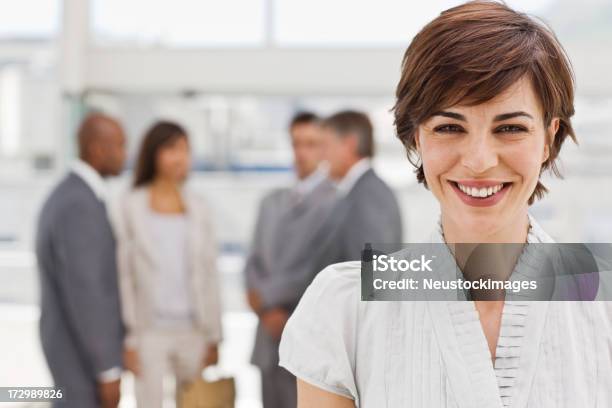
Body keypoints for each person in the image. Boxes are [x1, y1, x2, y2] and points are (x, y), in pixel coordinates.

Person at [279, 2, 612, 407]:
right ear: (416, 137)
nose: (478, 160)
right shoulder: (345, 308)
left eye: (510, 128)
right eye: (449, 127)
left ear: (548, 137)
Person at [114, 121, 222, 408]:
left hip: (194, 328)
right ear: (153, 153)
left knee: (196, 403)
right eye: (172, 148)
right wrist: (129, 338)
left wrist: (214, 335)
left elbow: (210, 273)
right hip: (149, 329)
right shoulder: (130, 205)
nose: (181, 157)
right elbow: (124, 276)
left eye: (186, 150)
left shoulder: (199, 207)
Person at [244, 112, 337, 408]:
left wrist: (268, 299)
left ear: (325, 148)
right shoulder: (270, 201)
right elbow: (253, 261)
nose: (301, 152)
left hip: (301, 329)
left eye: (311, 143)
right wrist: (260, 304)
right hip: (267, 337)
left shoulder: (336, 204)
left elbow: (317, 268)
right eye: (296, 143)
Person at [35, 113, 127, 408]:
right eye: (121, 146)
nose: (126, 154)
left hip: (73, 349)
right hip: (78, 355)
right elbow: (88, 293)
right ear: (98, 149)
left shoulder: (74, 195)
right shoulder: (78, 204)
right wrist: (108, 368)